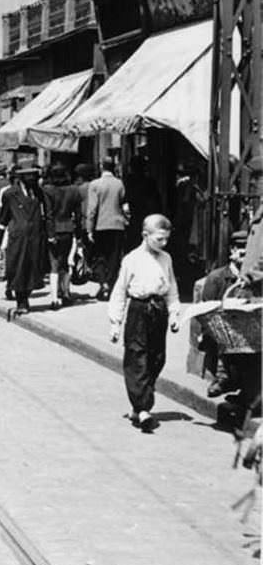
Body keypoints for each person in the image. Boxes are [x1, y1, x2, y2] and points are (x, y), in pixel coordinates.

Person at [108, 215, 181, 431]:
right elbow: (120, 291)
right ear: (145, 235)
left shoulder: (166, 258)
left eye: (167, 239)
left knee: (157, 357)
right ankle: (143, 409)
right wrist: (115, 322)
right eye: (159, 239)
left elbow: (172, 287)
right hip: (139, 310)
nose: (164, 243)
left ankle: (138, 405)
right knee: (137, 356)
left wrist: (174, 313)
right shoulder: (132, 259)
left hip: (158, 310)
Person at [200, 230, 260, 414]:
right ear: (232, 250)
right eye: (239, 249)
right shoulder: (217, 277)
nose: (243, 253)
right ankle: (230, 382)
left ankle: (245, 393)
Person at [0, 167, 48, 316]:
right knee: (18, 268)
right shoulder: (10, 194)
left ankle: (26, 295)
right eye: (29, 177)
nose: (33, 180)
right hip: (18, 238)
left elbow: (46, 213)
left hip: (36, 237)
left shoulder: (39, 193)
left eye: (34, 177)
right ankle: (21, 301)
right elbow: (3, 218)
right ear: (21, 178)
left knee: (33, 269)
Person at [86, 159, 130, 301]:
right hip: (117, 225)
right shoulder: (119, 184)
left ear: (101, 167)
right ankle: (110, 285)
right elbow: (124, 206)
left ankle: (103, 283)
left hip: (100, 225)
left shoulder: (95, 184)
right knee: (114, 257)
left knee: (99, 256)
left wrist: (89, 228)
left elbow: (92, 209)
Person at [42, 164, 83, 309]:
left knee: (54, 264)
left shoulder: (47, 190)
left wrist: (50, 233)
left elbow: (48, 214)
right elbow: (78, 215)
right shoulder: (74, 190)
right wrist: (78, 235)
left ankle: (54, 298)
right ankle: (65, 293)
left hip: (54, 229)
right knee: (65, 262)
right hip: (68, 229)